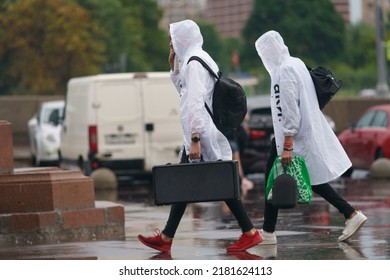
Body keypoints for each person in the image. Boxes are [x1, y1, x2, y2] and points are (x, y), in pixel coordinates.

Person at [137, 19, 261, 253]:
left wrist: (195, 139)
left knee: (218, 182)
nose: (171, 43)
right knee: (192, 183)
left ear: (183, 38)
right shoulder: (195, 59)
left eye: (172, 38)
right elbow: (185, 91)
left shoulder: (194, 63)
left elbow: (194, 101)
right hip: (199, 133)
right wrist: (173, 66)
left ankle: (249, 232)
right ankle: (168, 236)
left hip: (201, 134)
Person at [254, 30, 367, 245]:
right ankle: (268, 231)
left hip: (293, 136)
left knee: (298, 178)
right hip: (297, 133)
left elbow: (289, 107)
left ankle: (350, 213)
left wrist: (287, 143)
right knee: (290, 176)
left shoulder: (284, 70)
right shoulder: (295, 62)